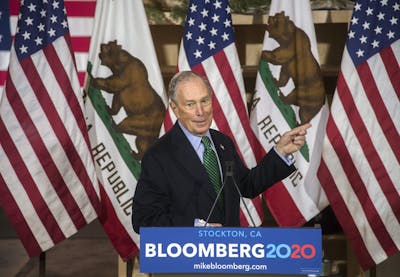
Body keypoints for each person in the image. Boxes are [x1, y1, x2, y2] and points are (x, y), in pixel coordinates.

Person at [132, 71, 311, 233]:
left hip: (228, 259)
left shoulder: (222, 142)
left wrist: (280, 152)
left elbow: (245, 186)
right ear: (175, 108)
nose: (200, 112)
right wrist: (196, 227)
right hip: (187, 262)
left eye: (204, 101)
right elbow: (144, 220)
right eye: (190, 104)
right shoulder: (159, 156)